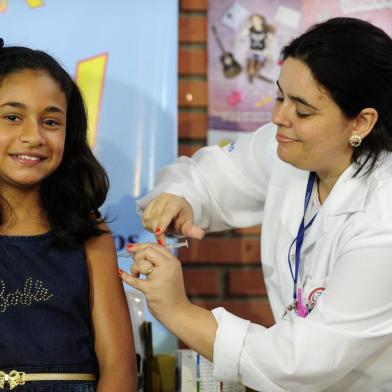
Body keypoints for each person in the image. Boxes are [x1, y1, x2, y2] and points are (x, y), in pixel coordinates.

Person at [120, 17, 392, 392]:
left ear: (361, 122)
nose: (278, 118)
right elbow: (205, 177)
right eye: (281, 97)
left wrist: (178, 312)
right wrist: (179, 197)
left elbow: (299, 362)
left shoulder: (383, 219)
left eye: (302, 110)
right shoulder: (285, 150)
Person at [0, 42, 137, 391]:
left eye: (50, 121)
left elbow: (118, 364)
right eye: (12, 116)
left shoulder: (88, 232)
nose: (33, 136)